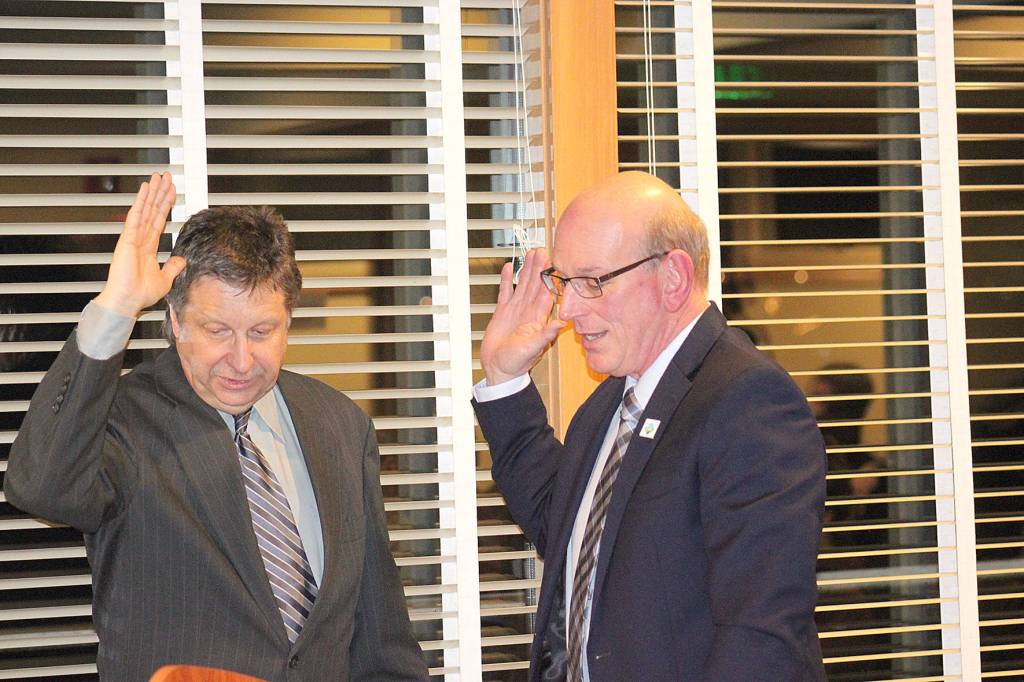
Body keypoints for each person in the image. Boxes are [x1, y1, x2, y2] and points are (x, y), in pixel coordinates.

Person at [5, 173, 428, 681]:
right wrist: (116, 306)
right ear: (176, 321)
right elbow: (42, 489)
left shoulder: (339, 424)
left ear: (288, 320)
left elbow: (380, 636)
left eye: (262, 331)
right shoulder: (124, 418)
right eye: (217, 330)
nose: (242, 359)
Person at [472, 171, 827, 681]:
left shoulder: (745, 400)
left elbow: (760, 635)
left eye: (592, 282)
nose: (569, 310)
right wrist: (505, 378)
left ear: (674, 278)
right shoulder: (608, 404)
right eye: (564, 283)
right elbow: (568, 531)